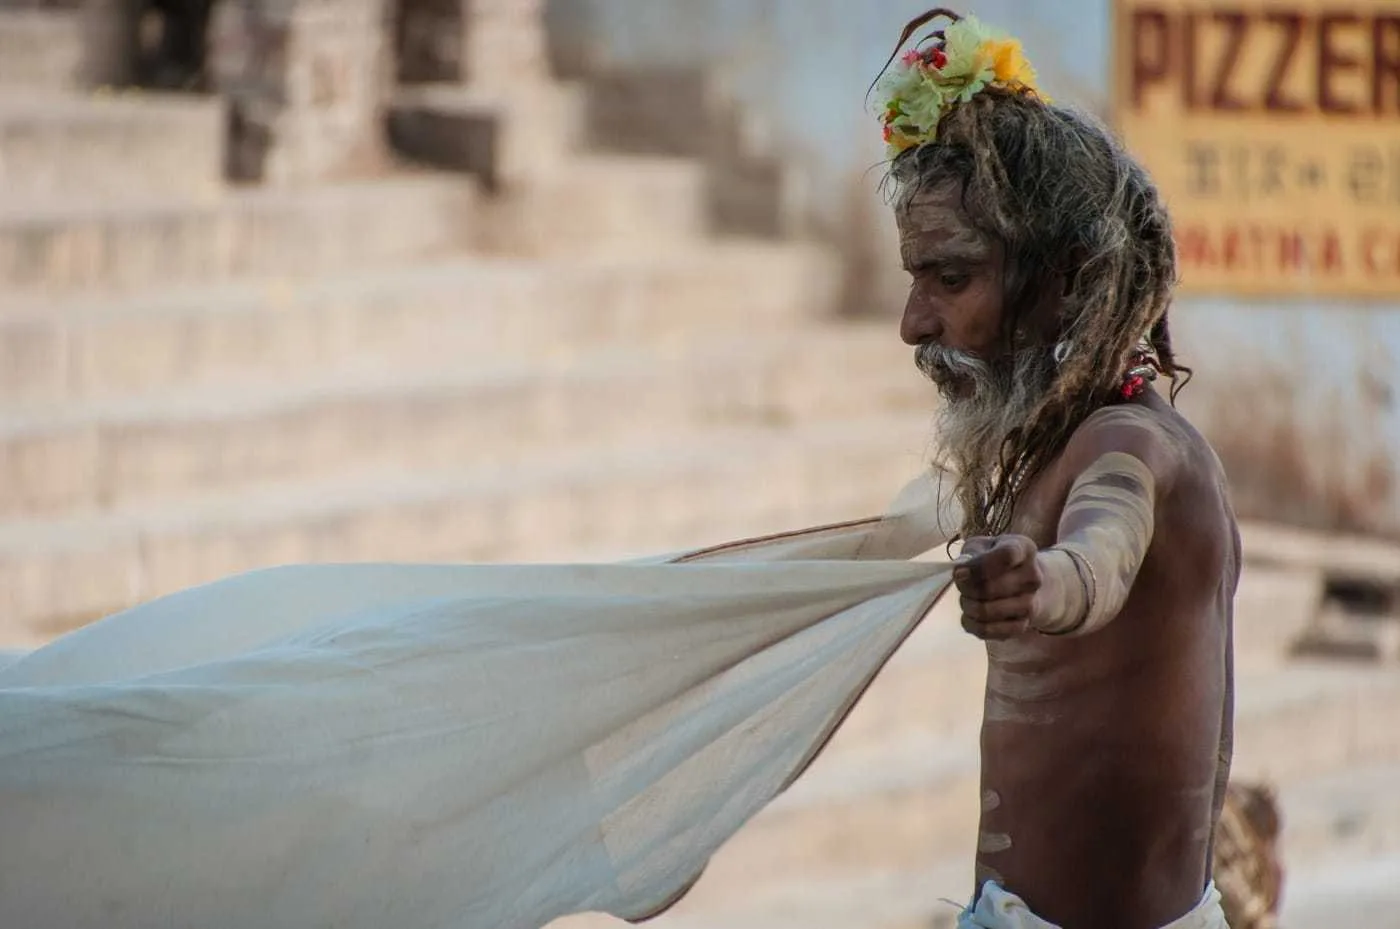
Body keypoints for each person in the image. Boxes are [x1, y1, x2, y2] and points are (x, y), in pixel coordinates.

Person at [876, 10, 1240, 928]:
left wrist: (1039, 582)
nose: (915, 324)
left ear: (1069, 277)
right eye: (916, 280)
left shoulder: (1136, 447)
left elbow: (1101, 554)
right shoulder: (1049, 440)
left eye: (951, 280)